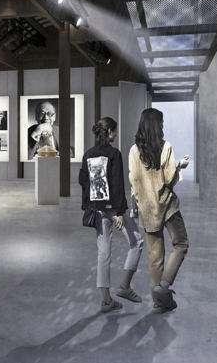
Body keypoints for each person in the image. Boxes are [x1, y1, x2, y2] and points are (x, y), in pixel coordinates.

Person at [79, 117, 143, 313]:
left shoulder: (88, 154)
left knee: (104, 253)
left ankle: (106, 300)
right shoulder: (114, 154)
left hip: (97, 210)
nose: (116, 134)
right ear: (108, 132)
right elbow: (116, 185)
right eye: (114, 131)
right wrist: (118, 212)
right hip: (115, 210)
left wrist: (91, 206)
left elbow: (84, 182)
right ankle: (124, 286)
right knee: (137, 242)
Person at [129, 108, 190, 313]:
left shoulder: (134, 151)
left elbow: (134, 180)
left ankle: (158, 302)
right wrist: (180, 166)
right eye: (161, 123)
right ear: (157, 125)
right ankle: (163, 287)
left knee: (155, 256)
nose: (163, 126)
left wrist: (136, 203)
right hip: (167, 205)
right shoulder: (166, 147)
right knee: (181, 243)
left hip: (147, 208)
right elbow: (169, 179)